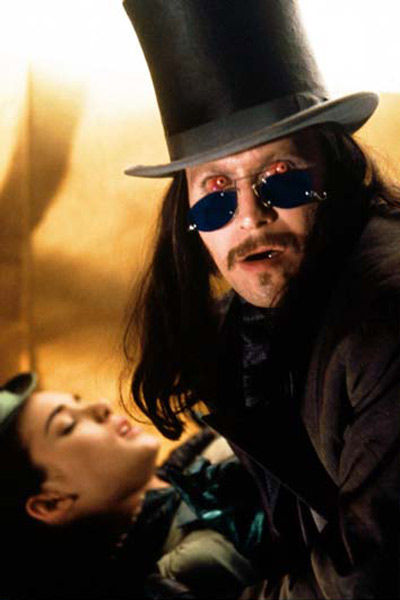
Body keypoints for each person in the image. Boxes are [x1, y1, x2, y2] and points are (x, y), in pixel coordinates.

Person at [121, 0, 400, 598]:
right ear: (188, 218)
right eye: (217, 193)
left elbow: (368, 580)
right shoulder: (245, 332)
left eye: (282, 177)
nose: (250, 216)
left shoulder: (383, 321)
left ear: (335, 175)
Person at [0, 372, 269, 600]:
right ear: (51, 503)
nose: (101, 406)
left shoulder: (197, 465)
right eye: (67, 426)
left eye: (78, 401)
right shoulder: (188, 569)